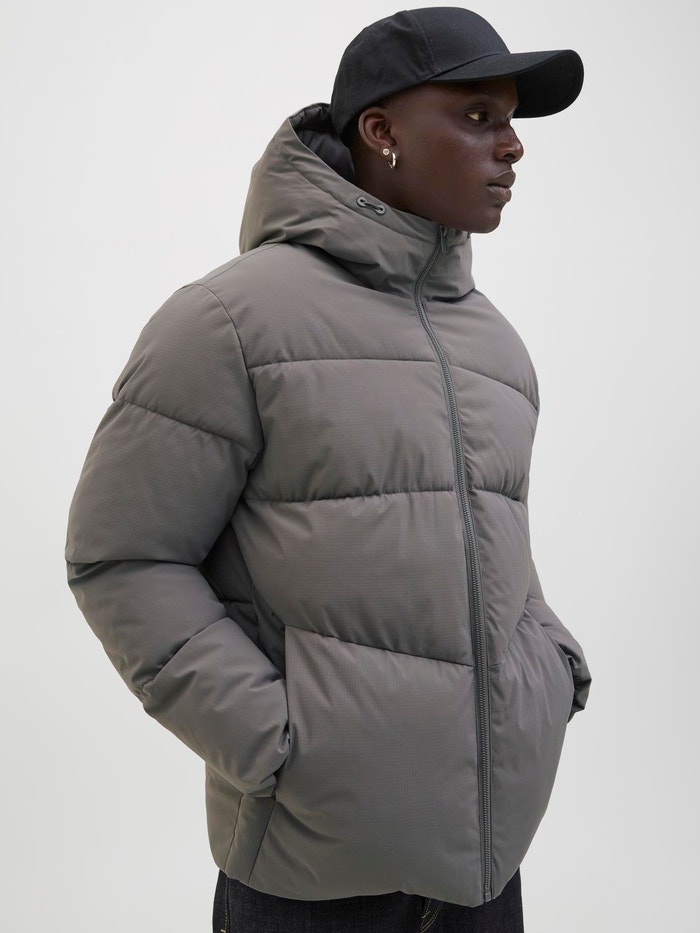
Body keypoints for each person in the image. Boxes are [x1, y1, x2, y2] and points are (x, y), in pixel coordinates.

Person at [65, 7, 592, 932]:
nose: (512, 147)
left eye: (511, 121)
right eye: (478, 117)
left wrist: (552, 665)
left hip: (487, 868)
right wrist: (279, 745)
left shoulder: (496, 344)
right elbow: (122, 556)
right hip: (308, 879)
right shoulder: (231, 321)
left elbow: (495, 545)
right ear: (381, 132)